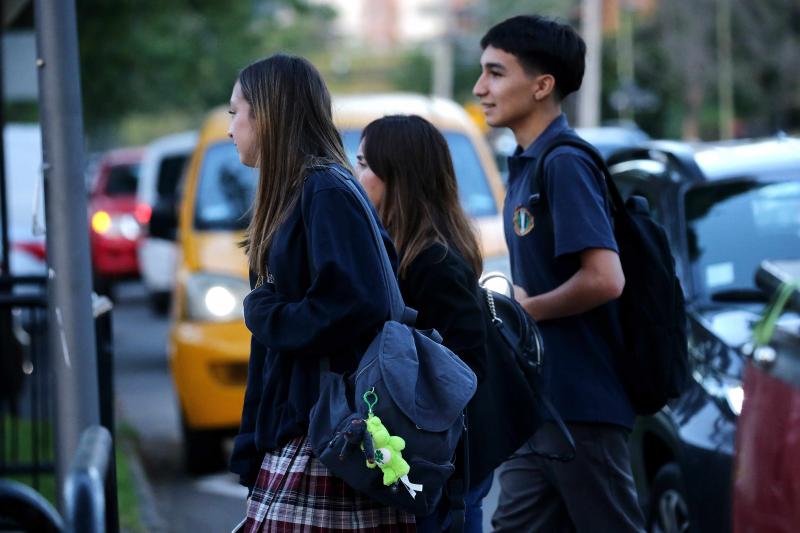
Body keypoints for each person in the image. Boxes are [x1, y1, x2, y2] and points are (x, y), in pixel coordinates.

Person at [227, 54, 415, 532]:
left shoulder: (324, 189)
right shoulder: (302, 190)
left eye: (235, 112)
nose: (232, 128)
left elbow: (358, 301)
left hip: (326, 430)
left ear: (266, 114)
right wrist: (252, 444)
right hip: (306, 428)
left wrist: (265, 311)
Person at [473, 15, 646, 533]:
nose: (481, 88)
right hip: (540, 403)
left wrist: (527, 310)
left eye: (496, 73)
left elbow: (605, 278)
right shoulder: (528, 163)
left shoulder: (564, 164)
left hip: (581, 406)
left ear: (542, 85)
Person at [354, 114, 491, 532]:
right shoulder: (404, 252)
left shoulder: (434, 264)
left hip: (443, 470)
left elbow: (467, 369)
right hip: (432, 464)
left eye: (362, 163)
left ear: (397, 177)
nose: (354, 175)